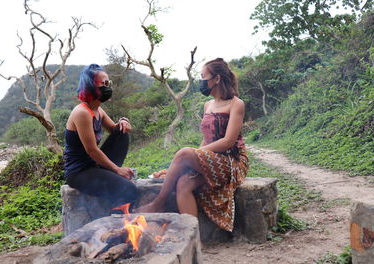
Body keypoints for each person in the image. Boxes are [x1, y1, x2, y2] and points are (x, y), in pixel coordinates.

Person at [136, 58, 249, 232]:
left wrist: (195, 153)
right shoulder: (208, 105)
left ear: (217, 79)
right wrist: (194, 160)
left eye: (204, 77)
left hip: (232, 161)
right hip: (212, 159)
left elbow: (228, 141)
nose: (201, 81)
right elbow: (206, 139)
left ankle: (158, 203)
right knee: (183, 183)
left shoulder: (236, 104)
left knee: (184, 153)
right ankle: (191, 235)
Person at [64, 64, 138, 209]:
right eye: (103, 84)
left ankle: (111, 179)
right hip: (80, 172)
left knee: (121, 133)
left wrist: (124, 122)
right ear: (90, 86)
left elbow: (114, 129)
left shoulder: (98, 110)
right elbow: (92, 150)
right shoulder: (82, 112)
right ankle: (116, 222)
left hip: (95, 165)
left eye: (108, 83)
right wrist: (117, 170)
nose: (107, 87)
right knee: (129, 190)